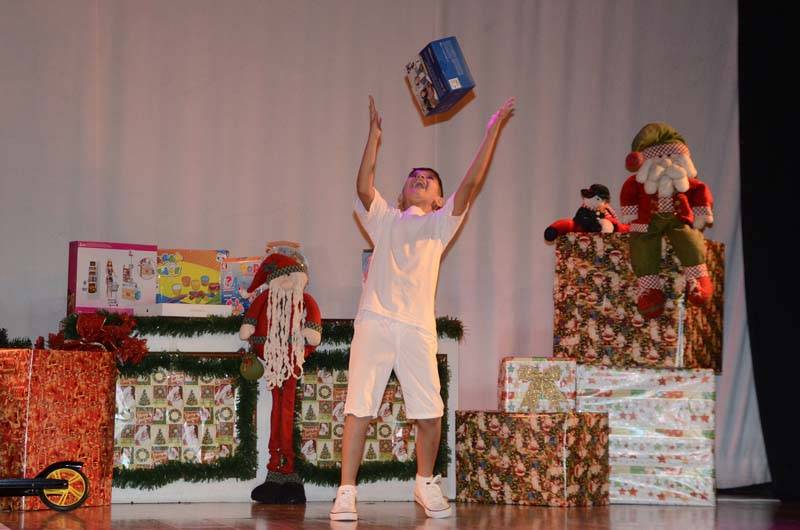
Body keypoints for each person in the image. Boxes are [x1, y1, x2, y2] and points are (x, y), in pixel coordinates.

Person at [330, 95, 515, 521]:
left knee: (430, 414)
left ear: (438, 199)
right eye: (414, 176)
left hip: (416, 328)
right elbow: (363, 187)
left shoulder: (439, 224)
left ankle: (425, 482)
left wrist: (492, 132)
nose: (420, 178)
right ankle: (346, 492)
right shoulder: (385, 220)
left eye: (429, 179)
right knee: (359, 408)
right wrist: (374, 136)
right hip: (376, 322)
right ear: (402, 192)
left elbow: (470, 185)